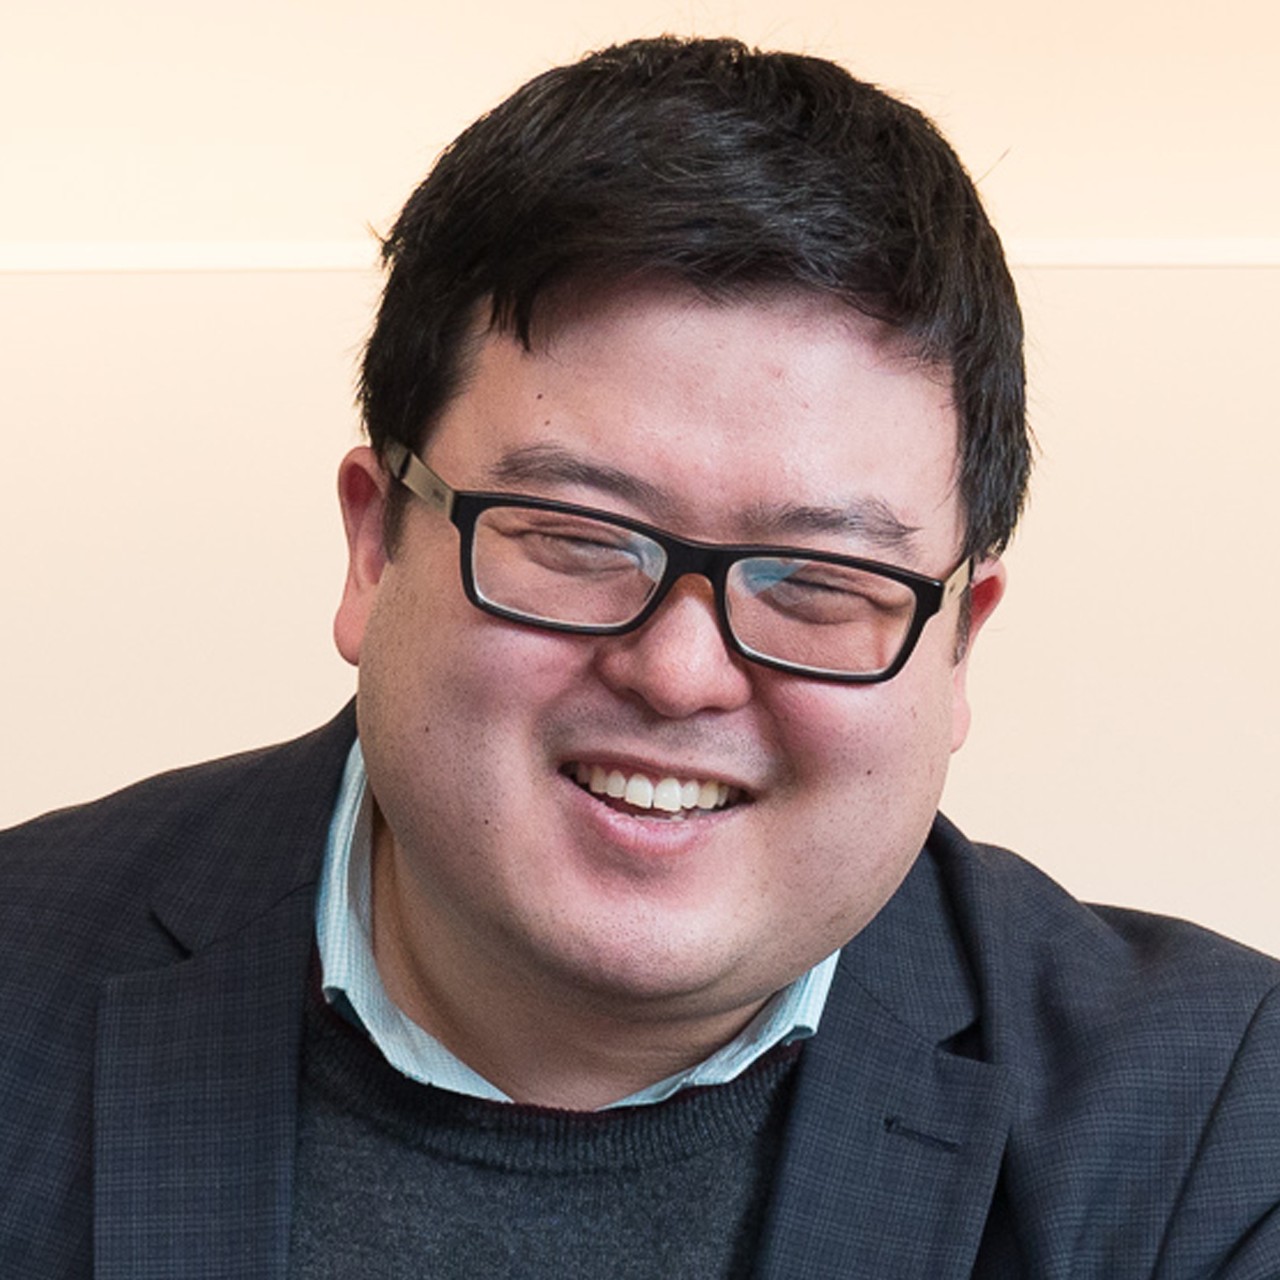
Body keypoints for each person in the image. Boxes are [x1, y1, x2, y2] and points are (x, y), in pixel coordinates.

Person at [1, 34, 1277, 1280]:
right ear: (373, 546)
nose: (678, 674)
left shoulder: (1216, 1122)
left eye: (822, 582)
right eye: (575, 538)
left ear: (955, 648)